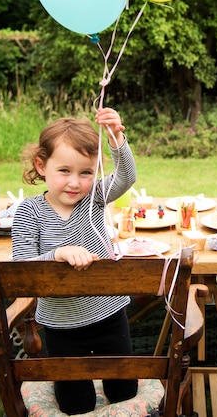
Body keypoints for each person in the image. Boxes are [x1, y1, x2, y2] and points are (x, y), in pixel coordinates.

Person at [12, 107, 138, 415]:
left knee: (124, 392)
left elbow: (126, 175)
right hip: (61, 325)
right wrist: (58, 253)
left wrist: (116, 137)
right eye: (64, 171)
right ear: (41, 166)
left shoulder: (93, 197)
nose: (75, 183)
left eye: (85, 172)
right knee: (75, 403)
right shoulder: (29, 212)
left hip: (109, 315)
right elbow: (23, 271)